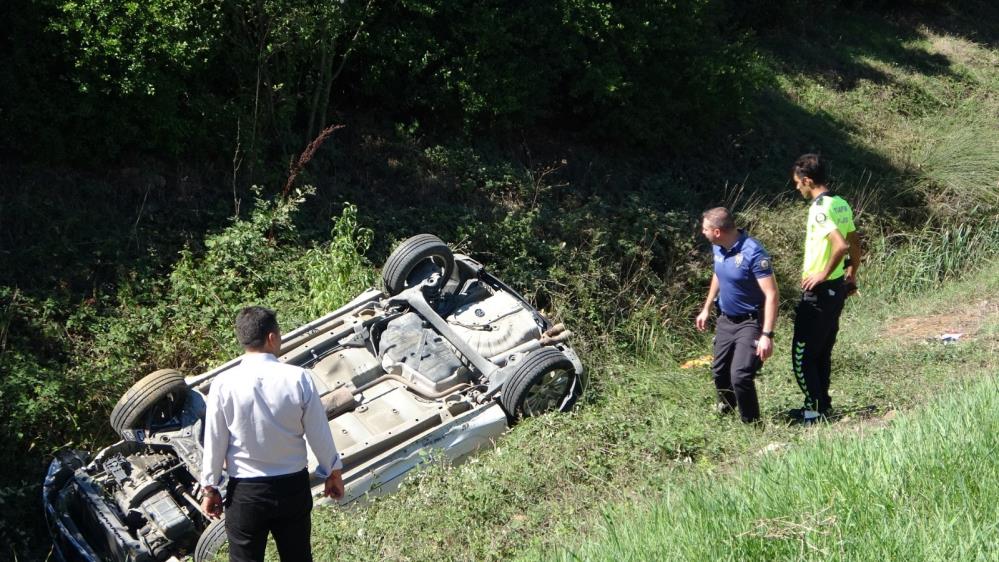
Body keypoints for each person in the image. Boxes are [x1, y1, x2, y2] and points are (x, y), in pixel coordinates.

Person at [201, 306, 344, 562]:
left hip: (245, 493)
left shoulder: (223, 384)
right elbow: (318, 432)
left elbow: (214, 441)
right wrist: (332, 472)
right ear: (271, 338)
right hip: (292, 489)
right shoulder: (298, 378)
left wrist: (210, 487)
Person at [789, 154, 861, 423]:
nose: (798, 188)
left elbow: (841, 245)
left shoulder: (819, 209)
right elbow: (855, 243)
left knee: (802, 354)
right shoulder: (840, 203)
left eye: (798, 183)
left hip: (819, 293)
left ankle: (813, 410)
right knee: (822, 351)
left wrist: (822, 273)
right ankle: (822, 405)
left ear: (807, 180)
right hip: (837, 290)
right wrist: (851, 273)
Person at [696, 207, 779, 424]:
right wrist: (707, 308)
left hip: (750, 321)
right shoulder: (719, 249)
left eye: (705, 229)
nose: (702, 233)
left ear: (717, 231)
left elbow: (771, 294)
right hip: (726, 320)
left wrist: (767, 335)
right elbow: (718, 273)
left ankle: (751, 423)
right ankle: (727, 407)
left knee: (740, 375)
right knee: (719, 371)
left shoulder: (753, 253)